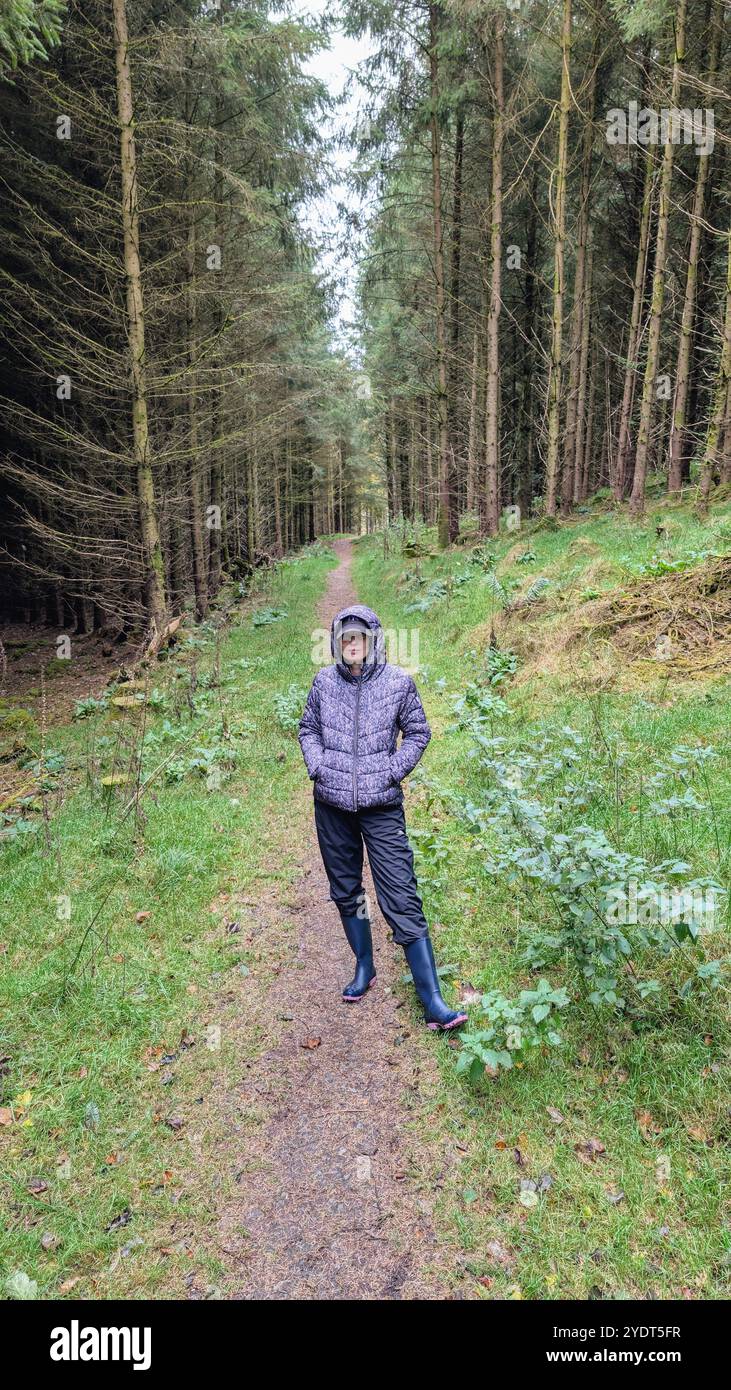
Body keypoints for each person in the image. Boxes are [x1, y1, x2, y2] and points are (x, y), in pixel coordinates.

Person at [297, 603, 468, 1031]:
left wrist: (391, 771)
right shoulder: (323, 682)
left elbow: (419, 732)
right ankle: (364, 966)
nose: (352, 645)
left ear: (373, 641)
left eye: (359, 638)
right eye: (345, 638)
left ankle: (432, 1000)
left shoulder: (397, 683)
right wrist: (317, 765)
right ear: (338, 643)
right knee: (346, 888)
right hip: (331, 805)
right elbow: (308, 729)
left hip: (382, 806)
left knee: (400, 894)